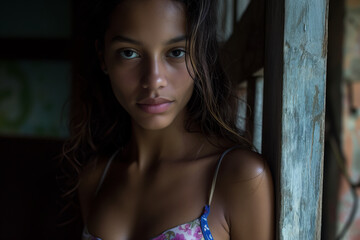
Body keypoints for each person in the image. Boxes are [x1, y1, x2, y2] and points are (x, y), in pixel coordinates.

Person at [62, 0, 274, 239]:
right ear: (103, 57)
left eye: (176, 52)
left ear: (199, 54)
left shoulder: (239, 178)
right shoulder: (96, 178)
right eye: (129, 53)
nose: (154, 80)